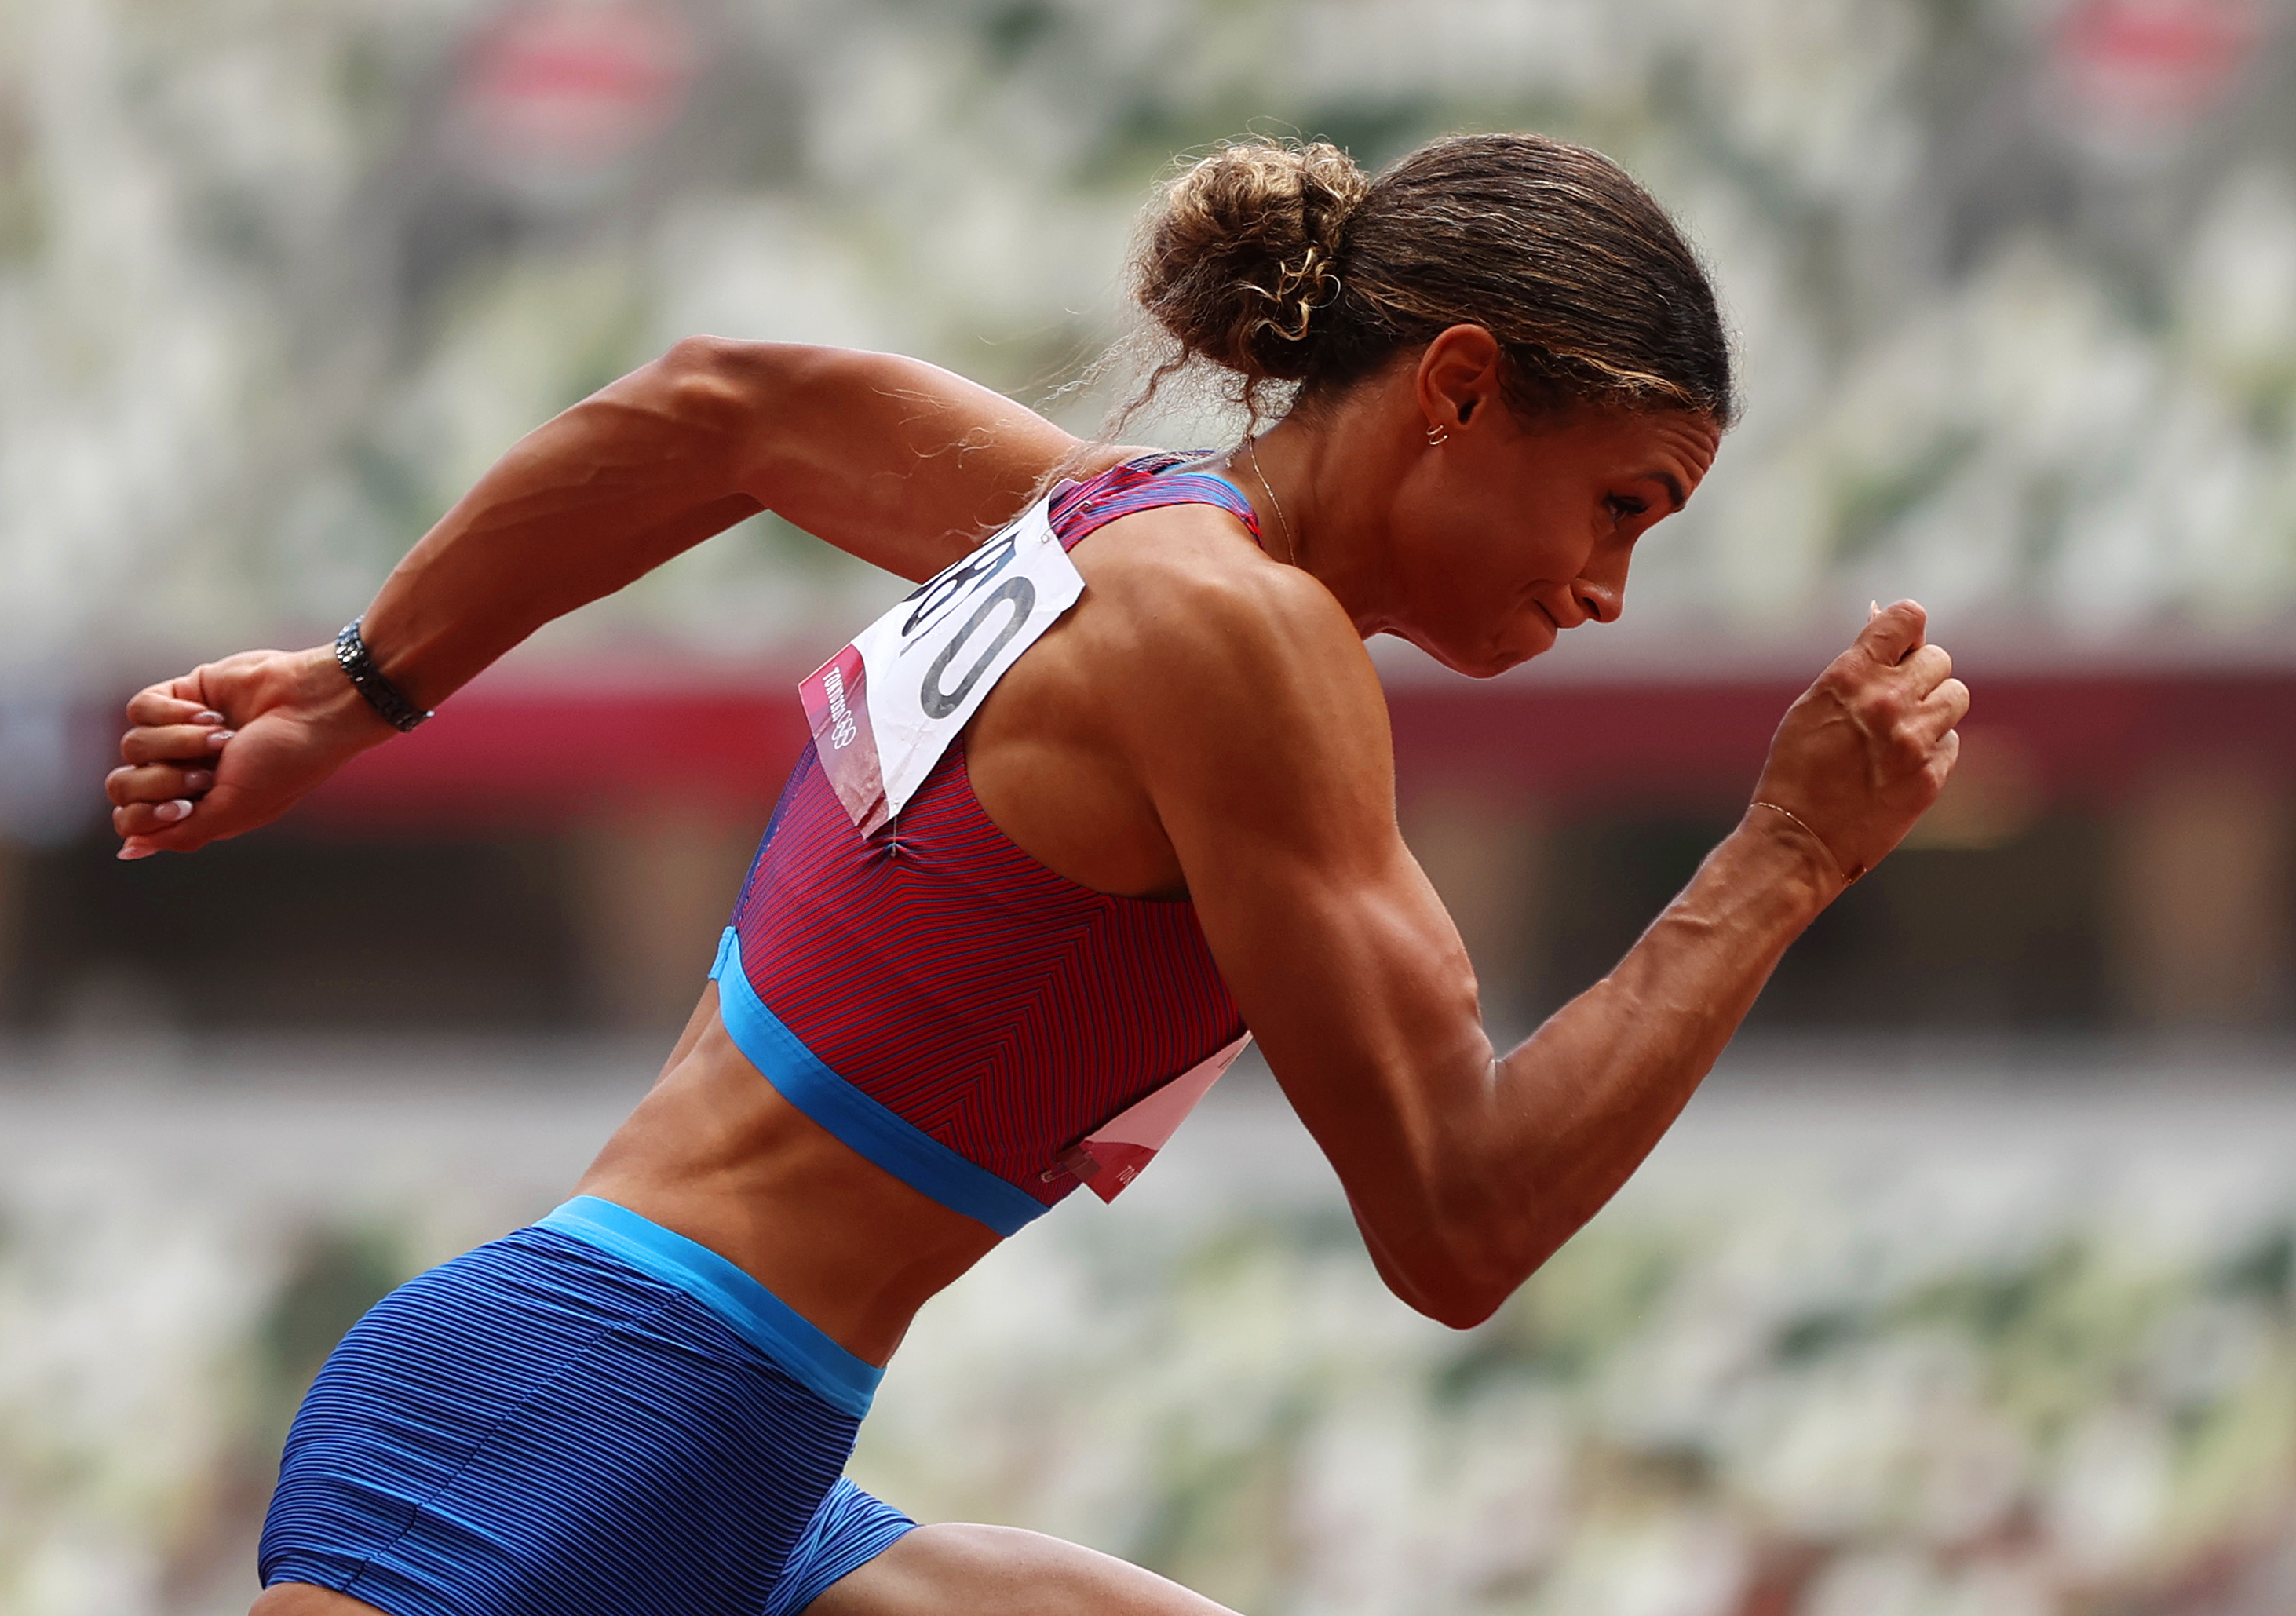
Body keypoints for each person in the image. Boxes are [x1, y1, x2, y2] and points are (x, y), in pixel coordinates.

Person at [106, 134, 1968, 1616]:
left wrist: (359, 688)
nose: (1606, 589)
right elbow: (1458, 1223)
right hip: (590, 1436)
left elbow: (717, 407)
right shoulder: (1243, 641)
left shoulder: (1111, 531)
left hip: (703, 1438)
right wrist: (1788, 853)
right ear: (1460, 388)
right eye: (1621, 502)